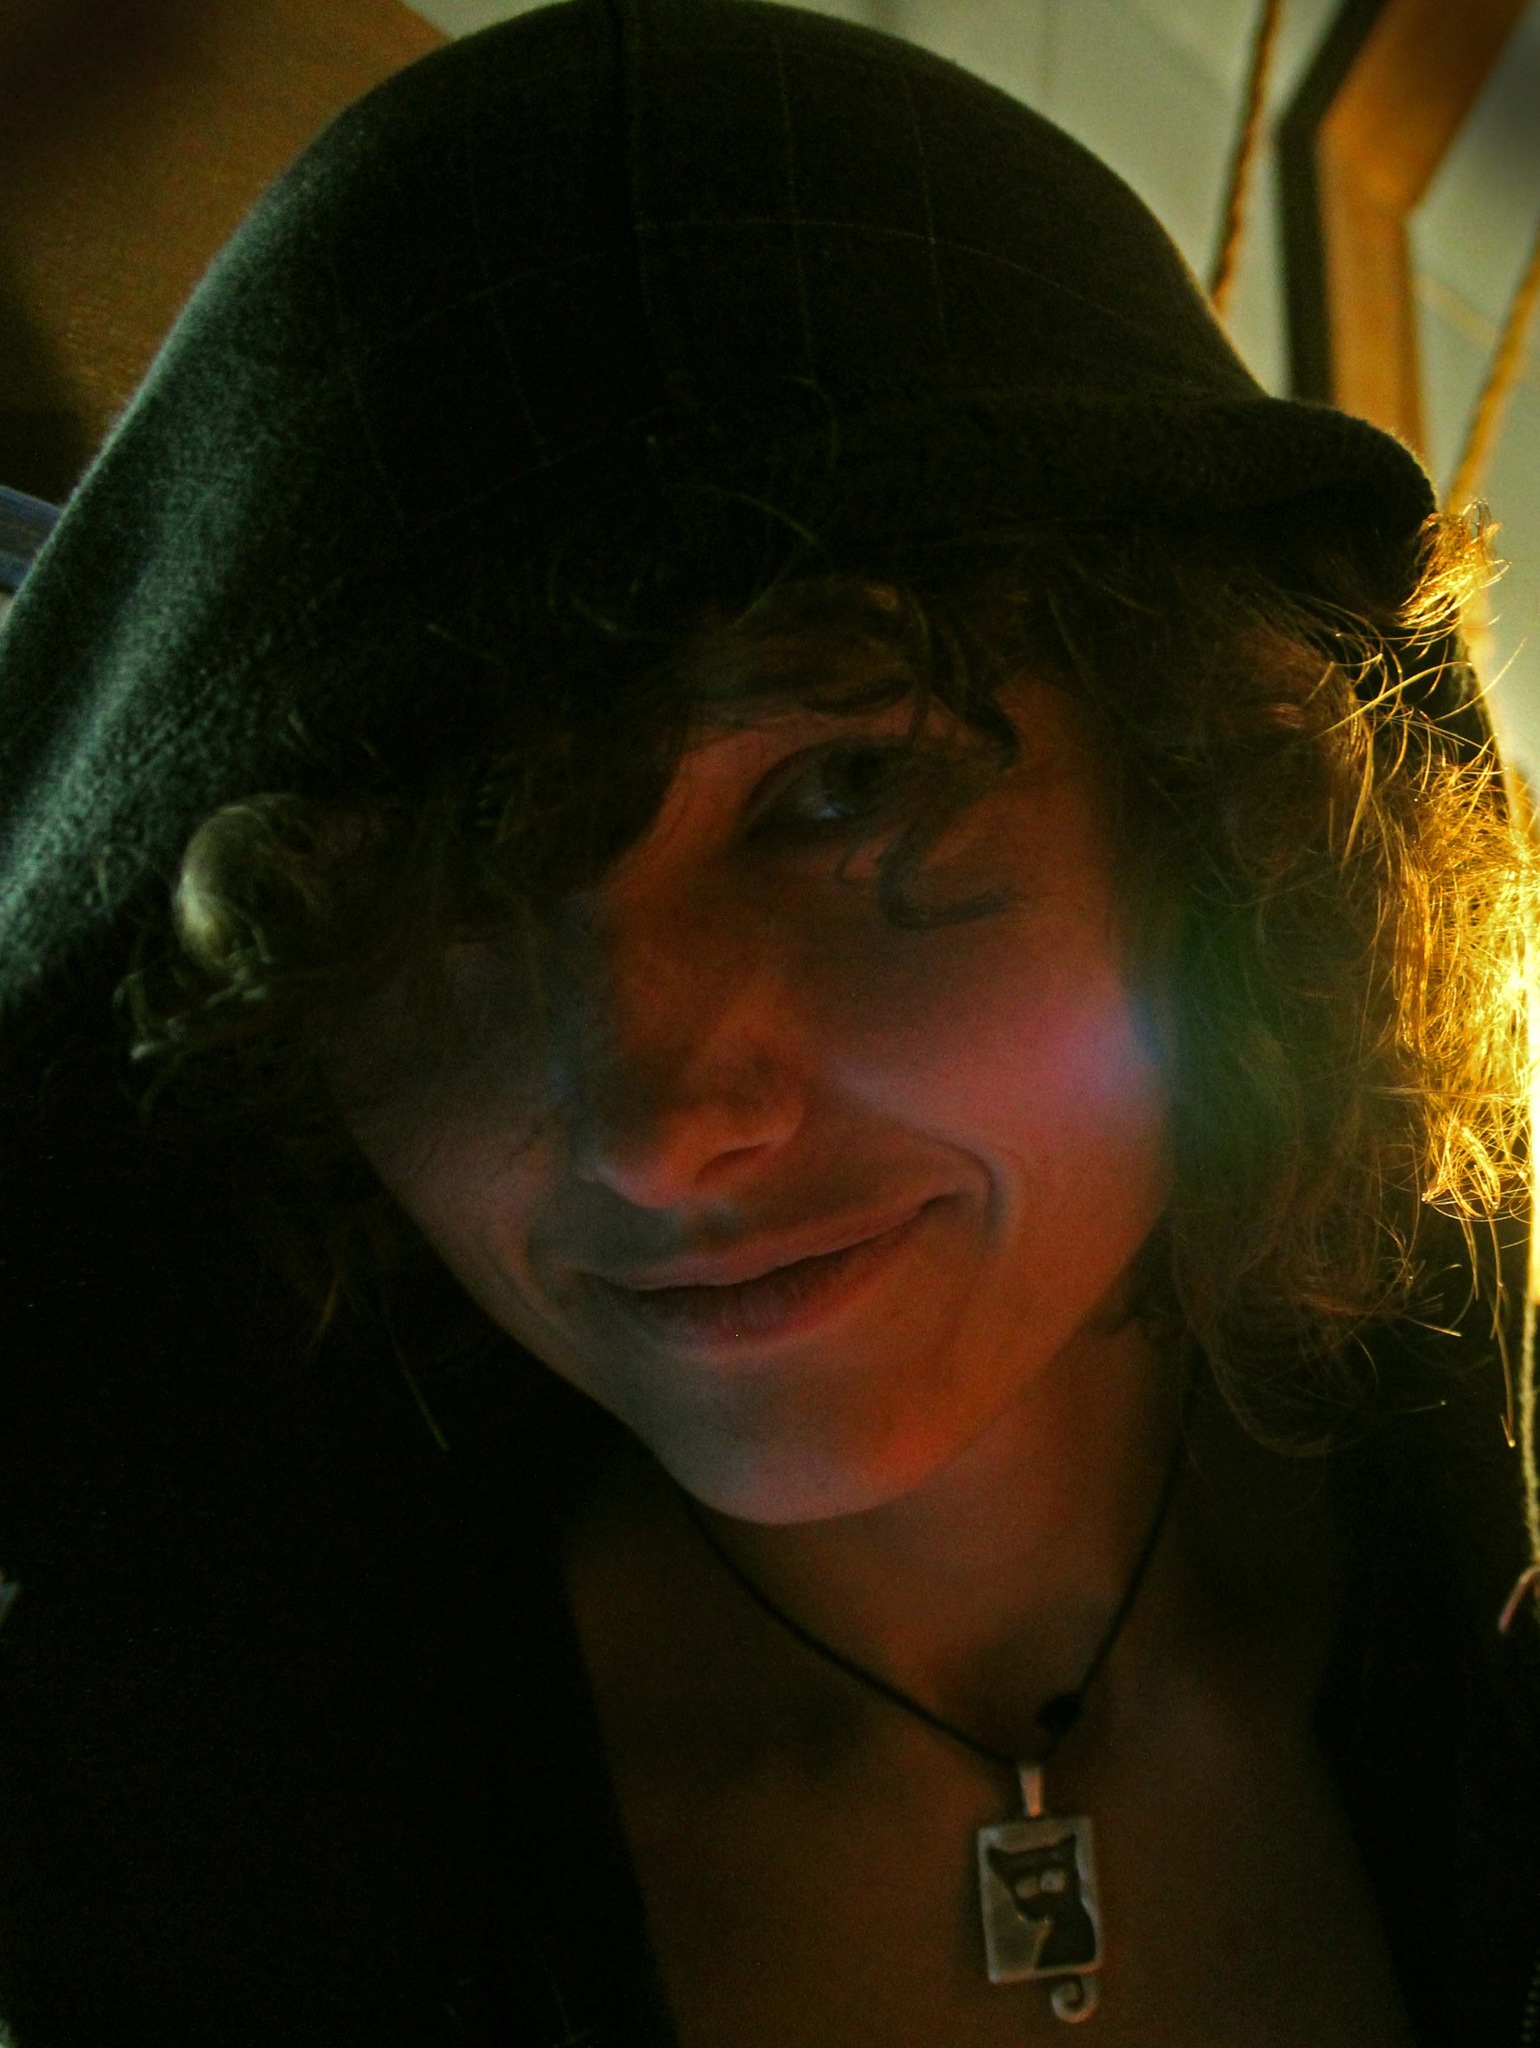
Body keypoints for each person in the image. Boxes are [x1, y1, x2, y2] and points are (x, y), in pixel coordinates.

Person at [1, 1, 1537, 2042]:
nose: (652, 1125)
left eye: (839, 792)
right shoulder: (204, 1899)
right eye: (445, 899)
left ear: (1211, 808)